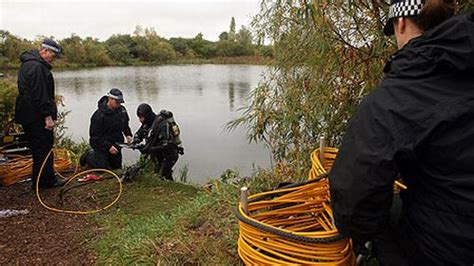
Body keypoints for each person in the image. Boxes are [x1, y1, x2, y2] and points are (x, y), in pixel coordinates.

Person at [329, 1, 474, 265]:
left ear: (402, 23)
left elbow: (354, 205)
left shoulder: (393, 100)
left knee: (377, 220)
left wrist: (361, 233)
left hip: (448, 252)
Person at [15, 38, 67, 189]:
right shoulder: (37, 68)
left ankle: (41, 181)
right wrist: (48, 117)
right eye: (53, 55)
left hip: (28, 116)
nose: (54, 59)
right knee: (44, 149)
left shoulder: (27, 64)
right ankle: (45, 182)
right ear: (44, 51)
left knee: (38, 150)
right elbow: (40, 95)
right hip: (37, 117)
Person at [80, 88, 133, 170]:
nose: (119, 104)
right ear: (110, 99)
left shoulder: (122, 111)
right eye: (117, 102)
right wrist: (108, 147)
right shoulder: (98, 115)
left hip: (116, 144)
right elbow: (94, 137)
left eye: (120, 102)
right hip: (102, 146)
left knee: (116, 168)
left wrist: (128, 135)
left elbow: (125, 125)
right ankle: (88, 156)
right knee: (102, 169)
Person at [132, 103, 183, 181]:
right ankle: (170, 183)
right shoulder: (147, 123)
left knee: (160, 176)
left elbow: (168, 145)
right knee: (163, 175)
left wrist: (149, 149)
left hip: (169, 156)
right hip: (159, 156)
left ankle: (169, 187)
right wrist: (136, 141)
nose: (140, 120)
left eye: (141, 117)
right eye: (139, 117)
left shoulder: (162, 124)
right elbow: (139, 134)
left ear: (147, 115)